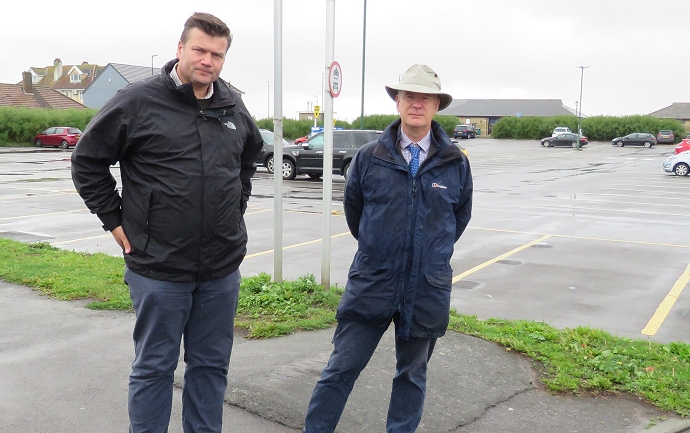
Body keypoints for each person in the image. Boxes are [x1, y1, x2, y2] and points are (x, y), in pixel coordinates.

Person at [71, 12, 263, 433]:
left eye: (217, 54)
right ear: (180, 49)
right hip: (158, 268)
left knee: (211, 366)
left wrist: (235, 206)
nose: (208, 60)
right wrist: (115, 222)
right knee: (154, 367)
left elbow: (249, 158)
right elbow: (87, 161)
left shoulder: (232, 103)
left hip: (220, 269)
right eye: (199, 50)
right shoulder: (137, 101)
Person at [302, 64, 473, 433]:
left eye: (425, 97)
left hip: (426, 289)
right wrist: (383, 250)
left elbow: (457, 221)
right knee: (340, 368)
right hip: (372, 283)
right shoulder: (369, 157)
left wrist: (424, 255)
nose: (416, 103)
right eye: (409, 95)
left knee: (412, 375)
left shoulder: (455, 163)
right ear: (398, 101)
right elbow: (355, 214)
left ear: (436, 105)